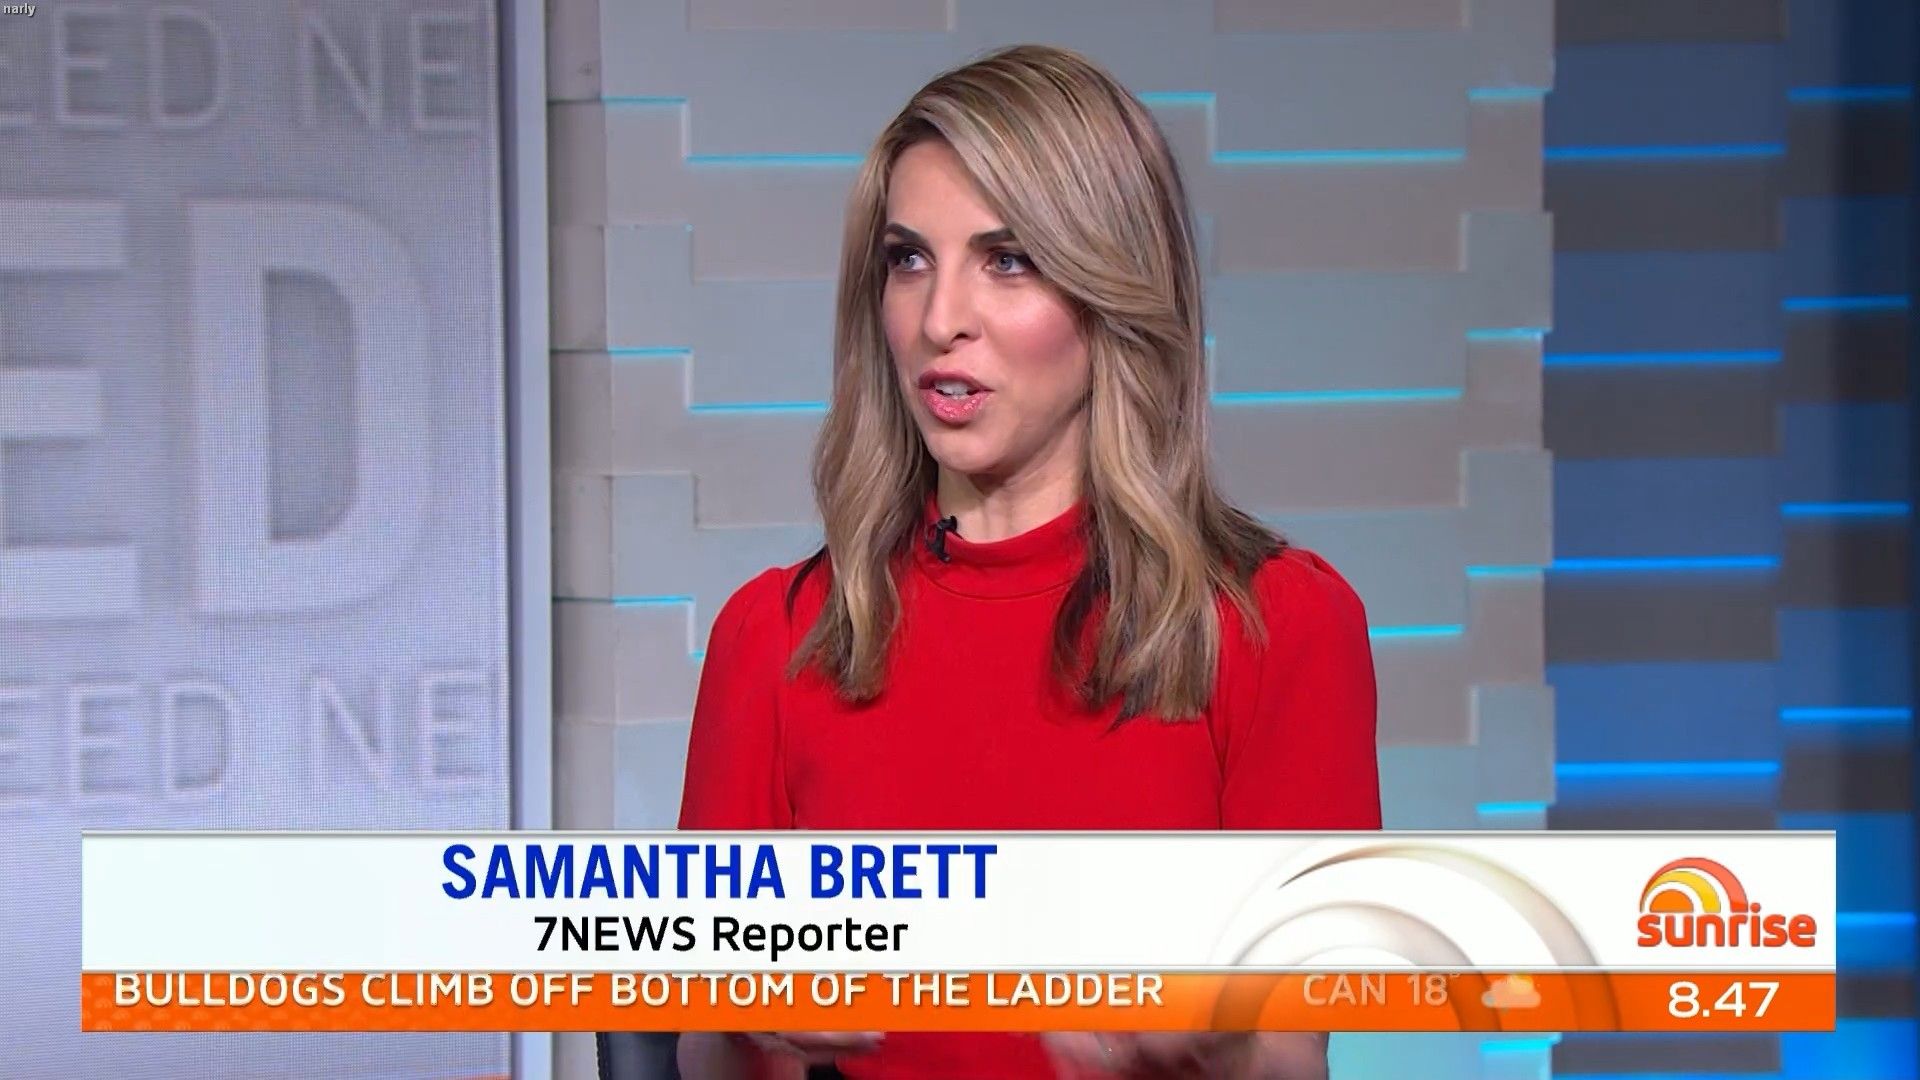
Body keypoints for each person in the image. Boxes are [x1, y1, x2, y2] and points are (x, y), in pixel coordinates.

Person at [675, 43, 1380, 1080]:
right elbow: (693, 1048)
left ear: (1111, 292)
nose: (939, 320)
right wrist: (752, 1023)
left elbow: (1290, 1049)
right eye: (909, 259)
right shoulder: (774, 637)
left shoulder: (1278, 625)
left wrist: (1213, 1052)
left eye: (1007, 260)